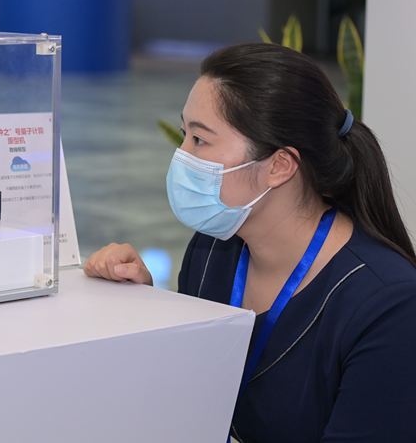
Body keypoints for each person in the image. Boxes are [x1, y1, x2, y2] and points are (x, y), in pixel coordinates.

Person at [83, 43, 416, 442]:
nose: (181, 155)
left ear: (279, 166)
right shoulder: (212, 251)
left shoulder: (388, 306)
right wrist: (147, 306)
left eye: (199, 140)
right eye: (185, 134)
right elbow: (191, 398)